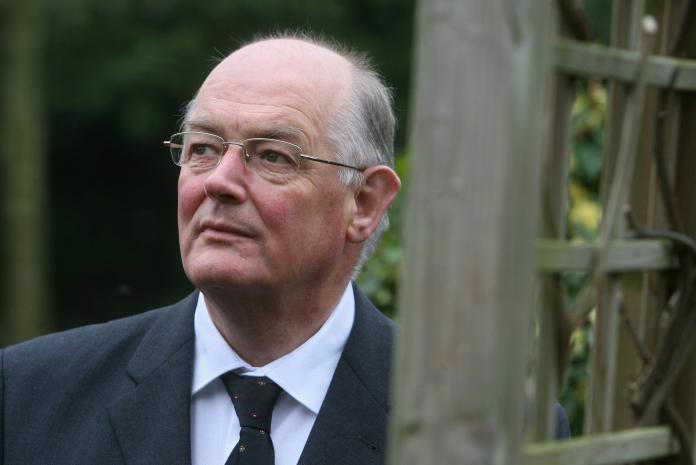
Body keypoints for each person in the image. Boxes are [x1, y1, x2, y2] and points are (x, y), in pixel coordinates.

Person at [0, 33, 401, 465]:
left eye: (273, 156)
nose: (218, 181)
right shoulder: (24, 395)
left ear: (365, 202)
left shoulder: (441, 410)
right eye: (203, 148)